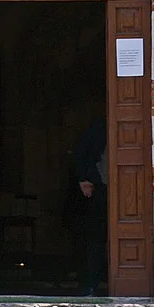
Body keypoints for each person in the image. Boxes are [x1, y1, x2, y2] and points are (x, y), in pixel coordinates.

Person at [70, 114, 107, 296]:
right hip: (97, 189)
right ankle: (90, 285)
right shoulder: (98, 127)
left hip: (124, 191)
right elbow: (80, 152)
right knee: (94, 238)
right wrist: (83, 179)